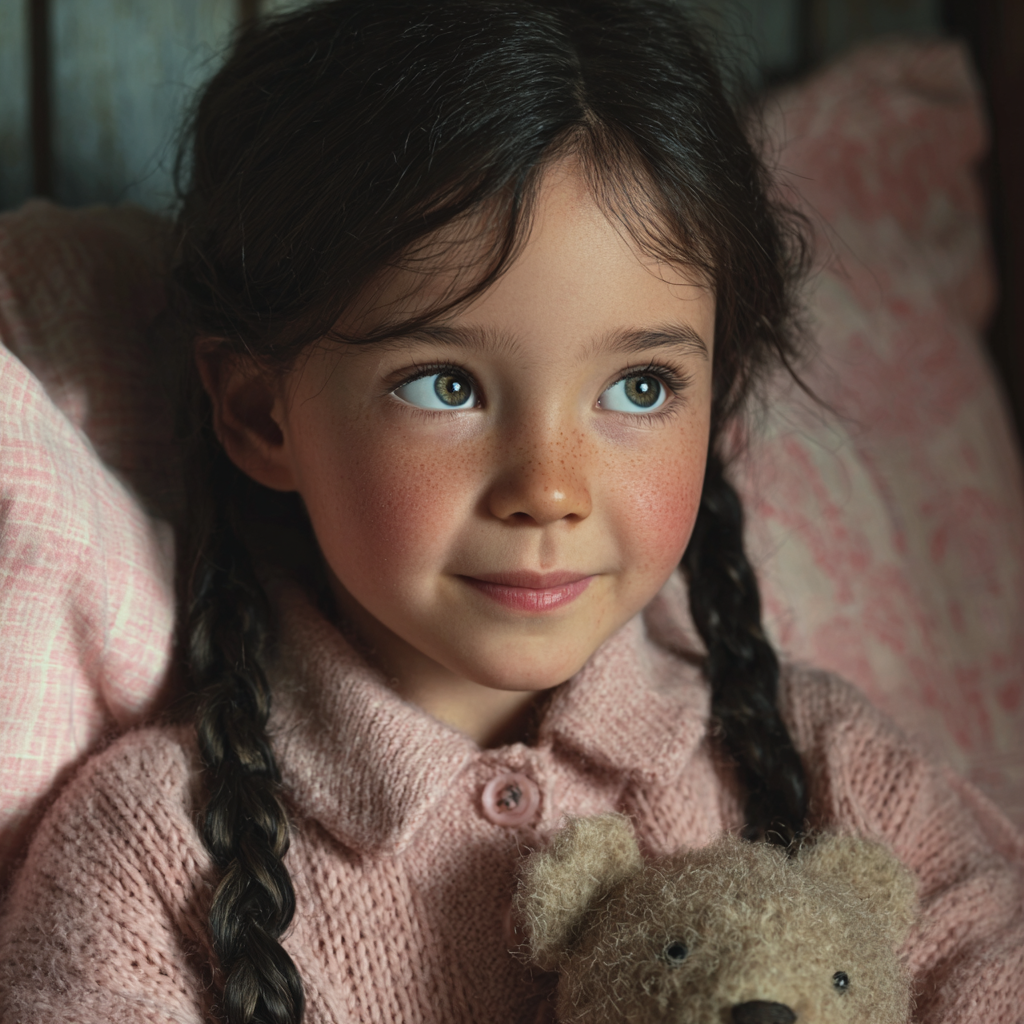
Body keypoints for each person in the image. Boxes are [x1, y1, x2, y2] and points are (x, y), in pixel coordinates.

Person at [1, 1, 1021, 1022]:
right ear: (262, 412)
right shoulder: (151, 854)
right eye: (446, 385)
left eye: (641, 387)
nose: (550, 487)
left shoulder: (832, 776)